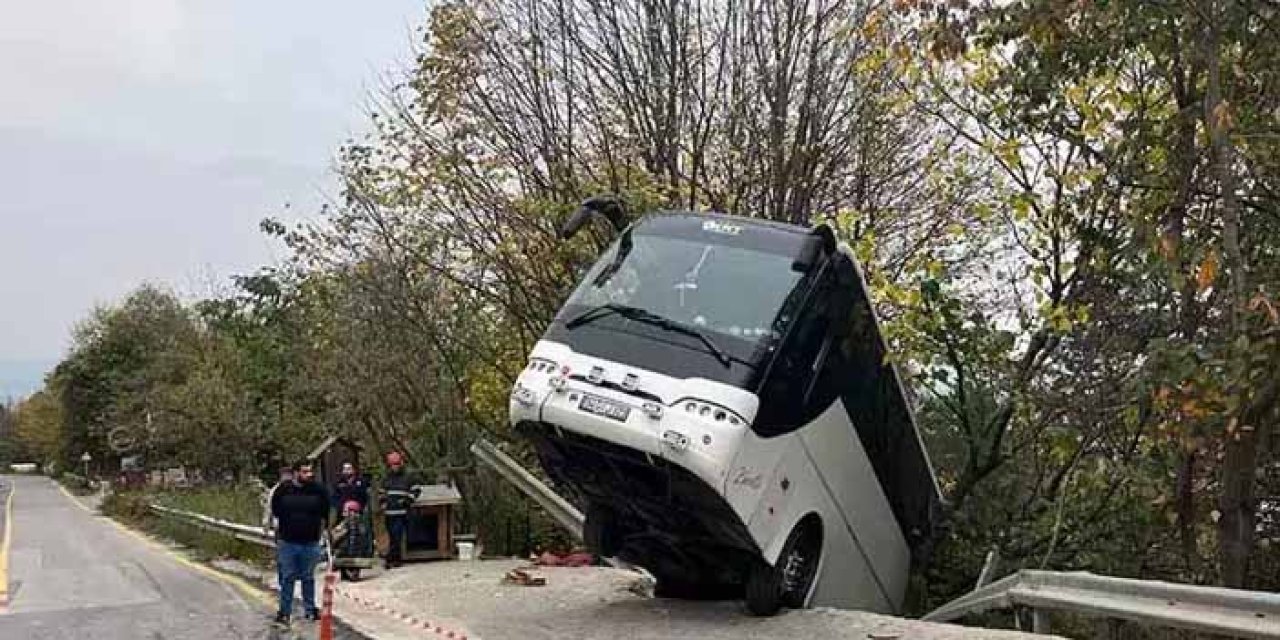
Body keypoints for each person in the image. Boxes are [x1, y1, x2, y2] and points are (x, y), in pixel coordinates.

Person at [270, 462, 331, 626]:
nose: (309, 475)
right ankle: (285, 612)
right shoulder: (283, 490)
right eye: (305, 472)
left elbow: (325, 513)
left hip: (310, 541)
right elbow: (275, 511)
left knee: (308, 577)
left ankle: (310, 609)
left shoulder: (318, 490)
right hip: (288, 542)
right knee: (287, 577)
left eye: (310, 471)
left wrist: (324, 532)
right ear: (296, 473)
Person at [379, 451, 418, 570]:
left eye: (396, 464)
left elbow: (416, 491)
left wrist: (407, 501)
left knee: (397, 536)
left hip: (402, 513)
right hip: (389, 513)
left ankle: (390, 558)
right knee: (392, 536)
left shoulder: (408, 477)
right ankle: (396, 559)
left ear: (401, 463)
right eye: (392, 465)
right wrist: (383, 503)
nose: (394, 467)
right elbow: (381, 493)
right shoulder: (386, 478)